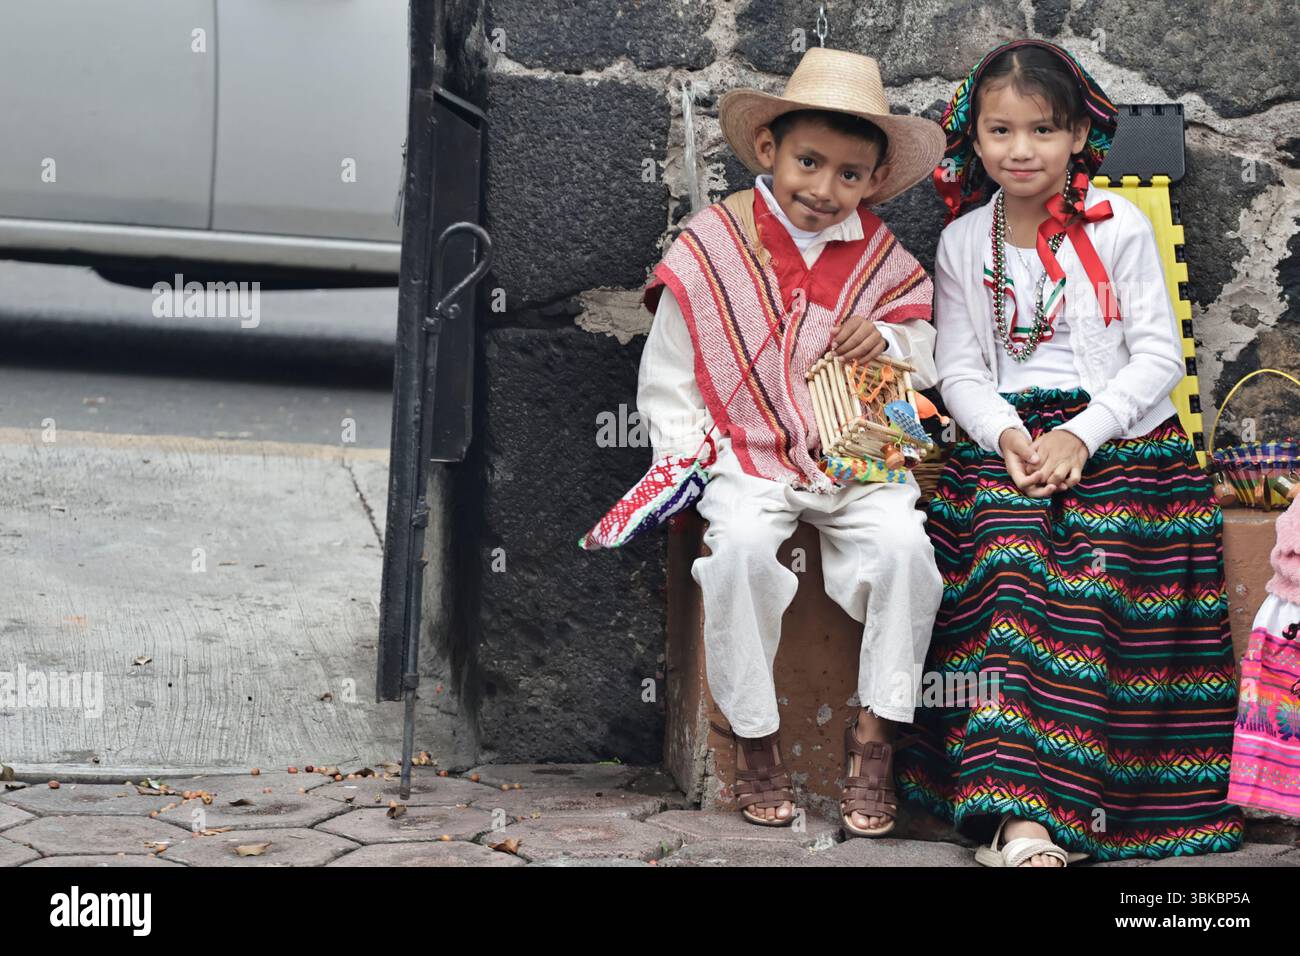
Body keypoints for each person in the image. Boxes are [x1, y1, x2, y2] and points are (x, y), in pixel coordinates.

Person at [894, 38, 1244, 865]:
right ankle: (1018, 820)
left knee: (1094, 570)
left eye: (1043, 130)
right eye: (1001, 131)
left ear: (1080, 136)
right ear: (973, 140)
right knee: (1010, 568)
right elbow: (962, 369)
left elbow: (1159, 357)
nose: (1022, 150)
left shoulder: (1117, 227)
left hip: (1124, 438)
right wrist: (1013, 436)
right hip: (1008, 442)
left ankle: (1078, 810)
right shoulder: (963, 243)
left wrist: (1079, 434)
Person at [635, 47, 946, 834]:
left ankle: (874, 737)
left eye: (850, 174)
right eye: (809, 162)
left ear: (875, 181)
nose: (824, 188)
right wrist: (688, 466)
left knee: (908, 555)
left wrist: (886, 338)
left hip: (859, 458)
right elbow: (669, 374)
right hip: (747, 456)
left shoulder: (884, 259)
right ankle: (756, 738)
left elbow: (925, 355)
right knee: (736, 553)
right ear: (769, 150)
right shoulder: (711, 247)